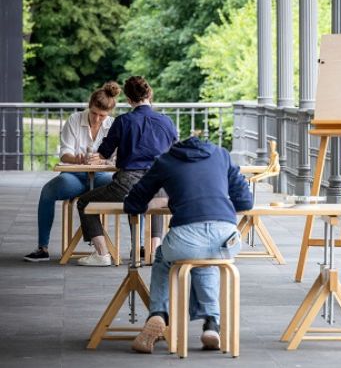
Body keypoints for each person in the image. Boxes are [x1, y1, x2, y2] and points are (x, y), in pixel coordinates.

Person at [128, 136, 253, 353]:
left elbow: (135, 202)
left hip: (186, 237)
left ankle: (158, 313)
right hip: (226, 237)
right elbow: (245, 201)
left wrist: (172, 200)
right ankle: (211, 324)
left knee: (163, 256)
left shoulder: (165, 160)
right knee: (208, 260)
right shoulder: (221, 154)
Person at [75, 76, 178, 266]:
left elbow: (104, 153)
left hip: (127, 187)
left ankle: (102, 254)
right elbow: (174, 154)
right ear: (149, 94)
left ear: (129, 100)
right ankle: (154, 252)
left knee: (84, 202)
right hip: (162, 187)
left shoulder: (123, 121)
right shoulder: (167, 122)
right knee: (154, 200)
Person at [24, 82, 121, 262]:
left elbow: (117, 157)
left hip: (101, 177)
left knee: (128, 188)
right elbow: (64, 154)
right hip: (74, 176)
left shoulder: (113, 124)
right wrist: (77, 159)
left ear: (109, 114)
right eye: (94, 113)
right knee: (47, 192)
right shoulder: (74, 120)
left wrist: (102, 159)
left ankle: (139, 248)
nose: (97, 119)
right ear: (88, 106)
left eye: (102, 115)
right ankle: (42, 248)